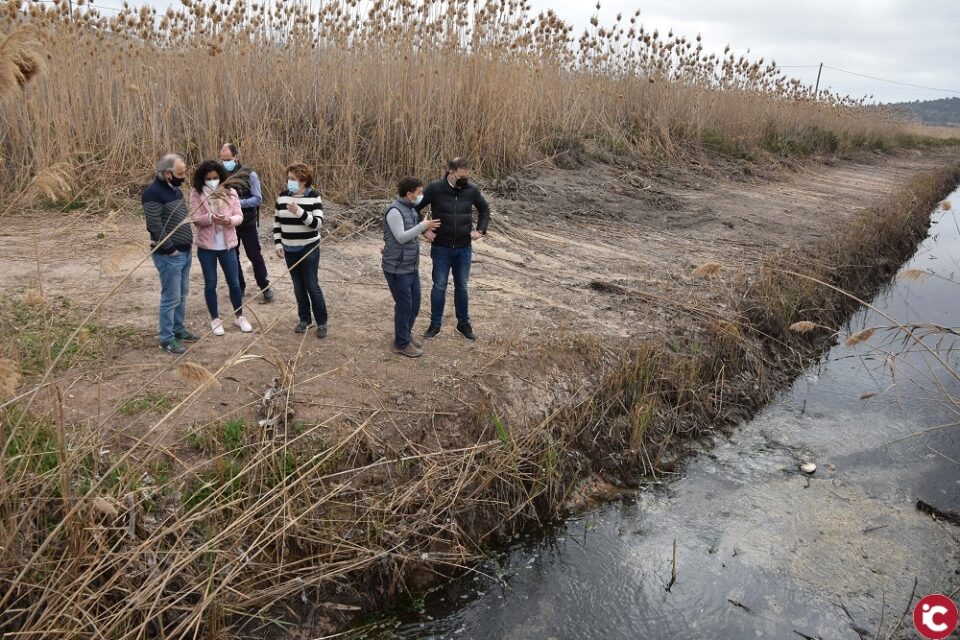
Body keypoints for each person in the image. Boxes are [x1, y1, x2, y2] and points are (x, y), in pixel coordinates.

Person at [415, 157, 490, 341]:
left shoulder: (471, 190)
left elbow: (485, 210)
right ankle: (435, 325)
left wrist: (480, 230)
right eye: (461, 177)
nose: (465, 180)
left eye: (467, 176)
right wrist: (424, 230)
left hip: (464, 248)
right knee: (439, 286)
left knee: (462, 286)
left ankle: (463, 324)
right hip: (441, 247)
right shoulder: (435, 188)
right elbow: (414, 208)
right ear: (451, 172)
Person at [189, 160, 253, 336]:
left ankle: (239, 316)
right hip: (206, 247)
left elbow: (239, 215)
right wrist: (210, 218)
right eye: (208, 179)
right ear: (202, 179)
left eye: (215, 178)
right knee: (211, 283)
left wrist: (228, 221)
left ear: (221, 177)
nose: (212, 181)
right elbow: (195, 218)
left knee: (234, 282)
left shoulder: (230, 191)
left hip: (227, 245)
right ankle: (215, 319)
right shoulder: (197, 193)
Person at [143, 153, 197, 355]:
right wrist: (170, 249)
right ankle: (166, 339)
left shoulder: (175, 190)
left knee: (181, 294)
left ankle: (178, 330)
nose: (183, 177)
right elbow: (154, 225)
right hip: (169, 255)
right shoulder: (153, 194)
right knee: (170, 297)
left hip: (184, 251)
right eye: (180, 173)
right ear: (167, 174)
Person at [382, 177, 442, 358]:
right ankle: (401, 343)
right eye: (419, 192)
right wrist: (422, 226)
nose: (421, 196)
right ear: (409, 194)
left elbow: (413, 231)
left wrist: (425, 230)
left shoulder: (410, 210)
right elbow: (401, 237)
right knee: (404, 306)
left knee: (414, 304)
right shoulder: (394, 211)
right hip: (396, 267)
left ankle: (405, 334)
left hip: (410, 265)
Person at [273, 162, 329, 338]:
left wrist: (299, 212)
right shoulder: (282, 197)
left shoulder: (314, 197)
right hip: (289, 248)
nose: (289, 182)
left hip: (309, 247)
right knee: (298, 287)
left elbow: (317, 224)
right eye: (288, 178)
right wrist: (278, 244)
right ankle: (305, 319)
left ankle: (322, 322)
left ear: (303, 180)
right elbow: (277, 223)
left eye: (293, 179)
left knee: (311, 285)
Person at [219, 143, 274, 303]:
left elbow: (257, 199)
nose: (225, 163)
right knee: (233, 257)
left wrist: (236, 203)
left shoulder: (250, 174)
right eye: (223, 160)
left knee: (254, 255)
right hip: (229, 223)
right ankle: (239, 287)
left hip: (247, 222)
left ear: (236, 157)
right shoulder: (220, 175)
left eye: (228, 159)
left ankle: (264, 286)